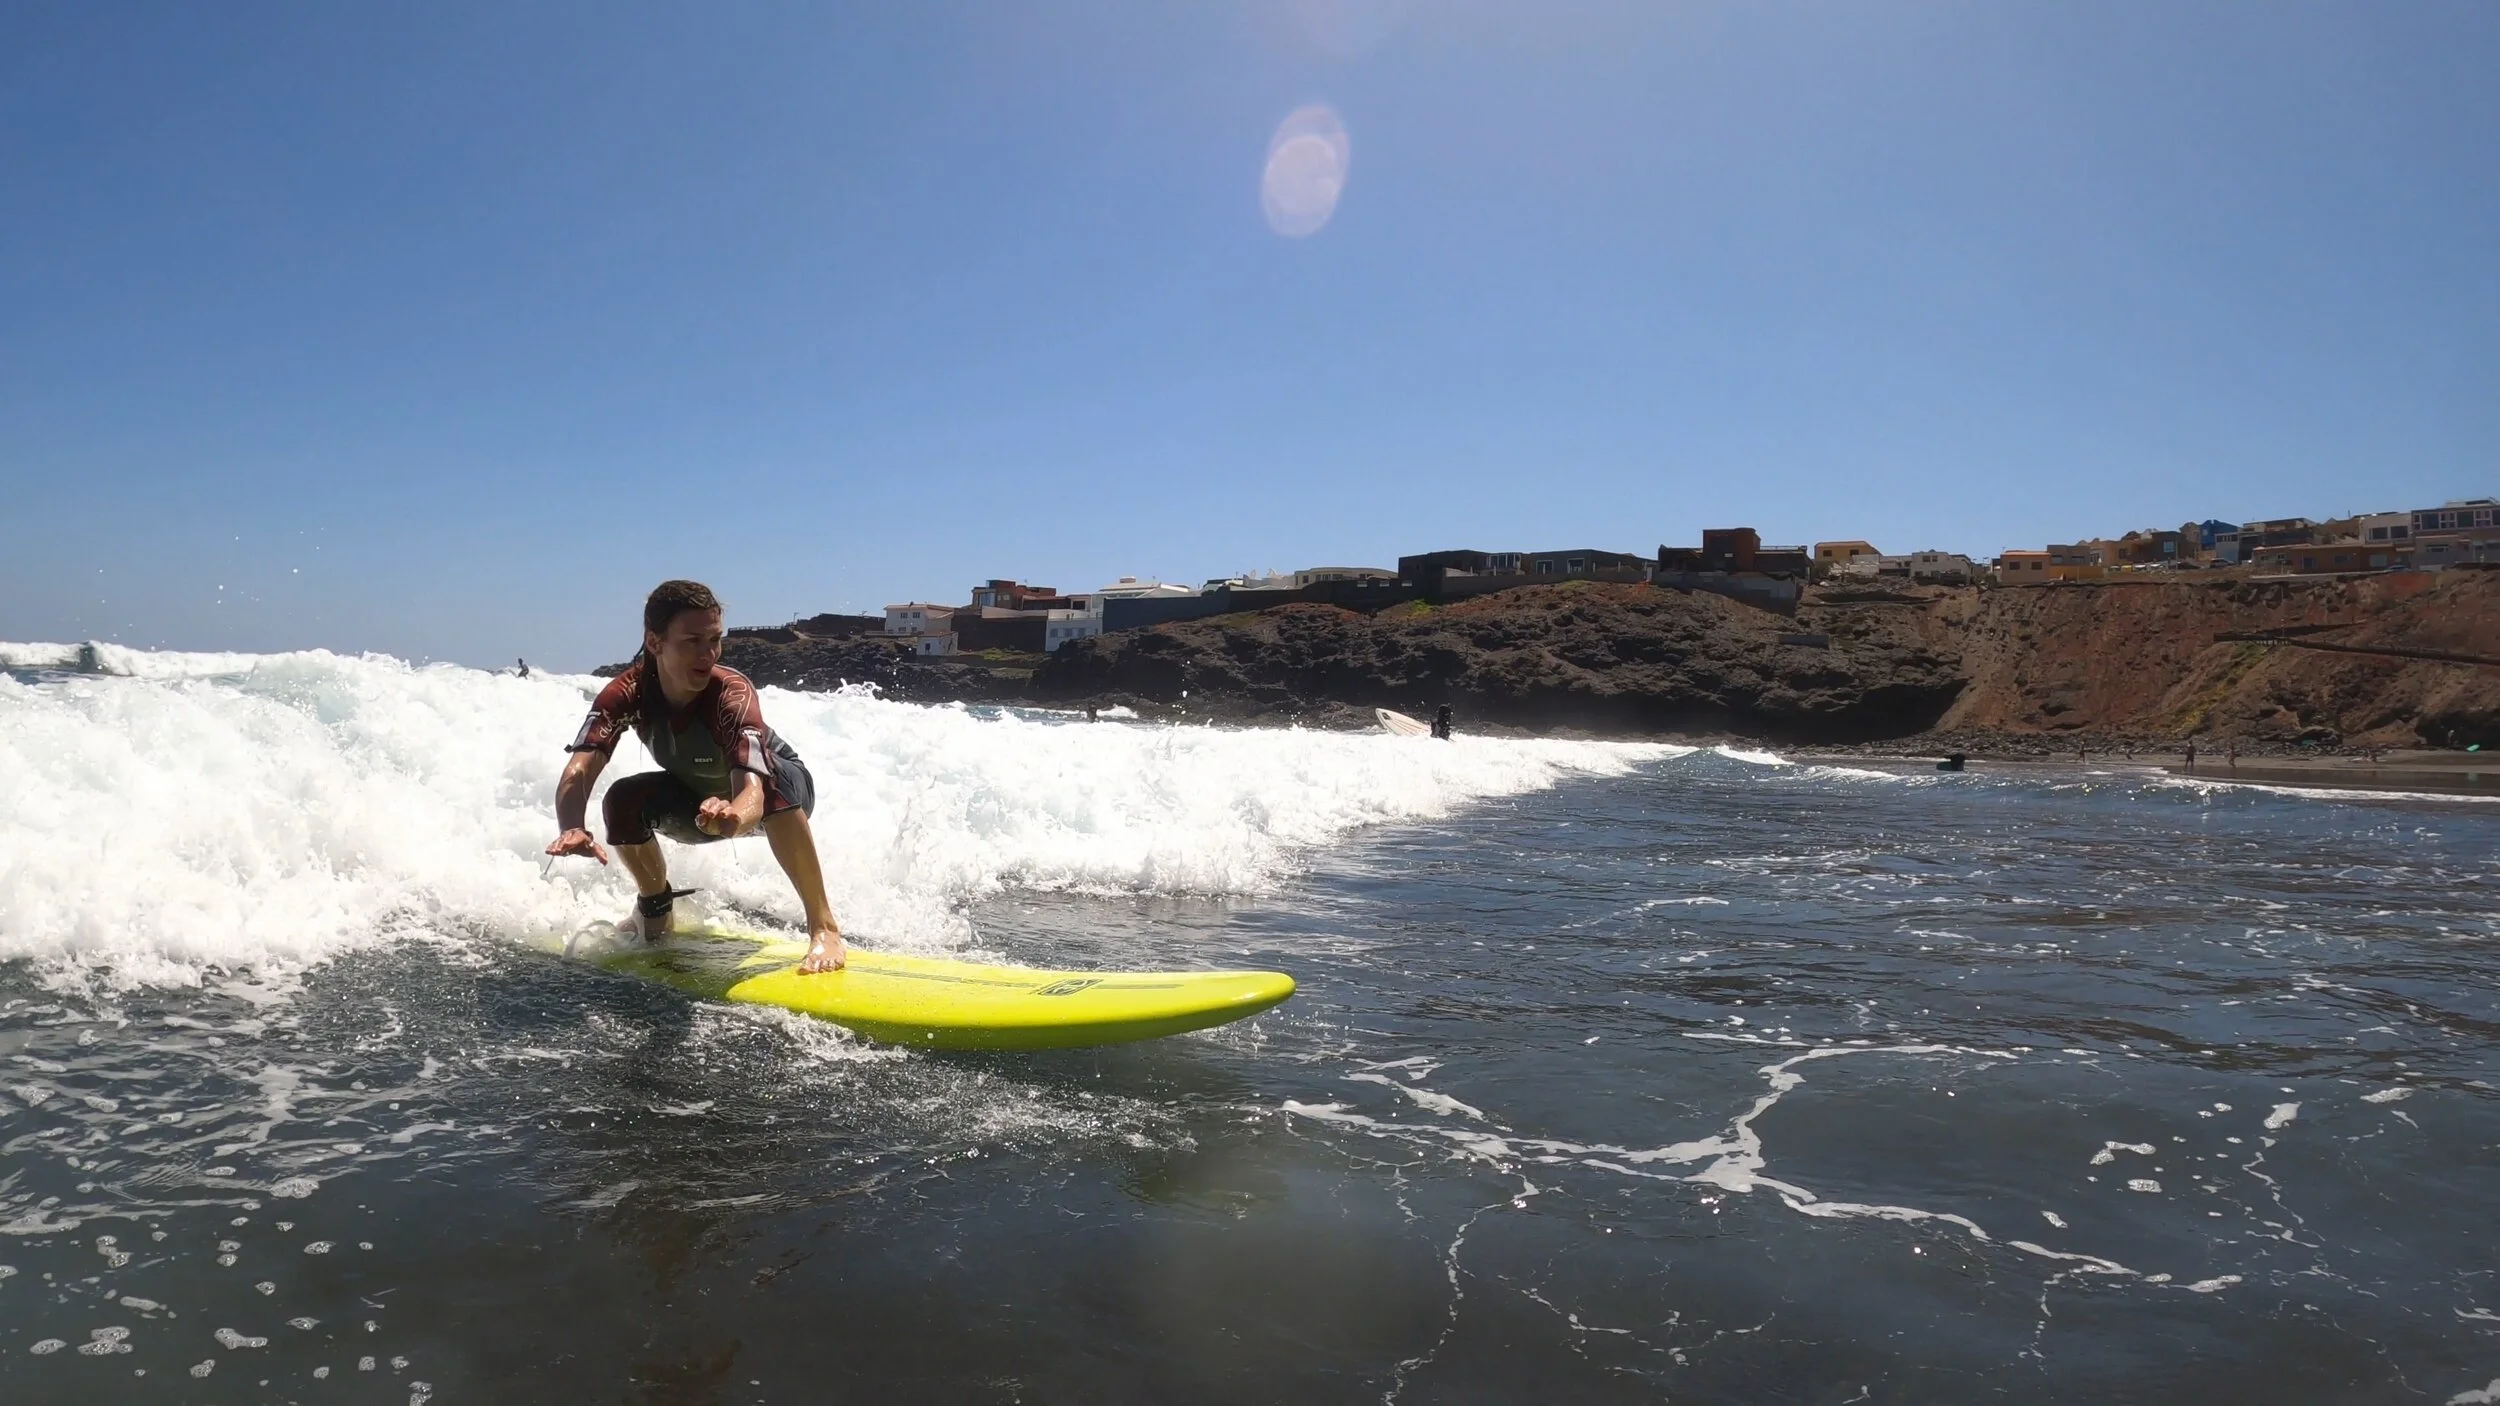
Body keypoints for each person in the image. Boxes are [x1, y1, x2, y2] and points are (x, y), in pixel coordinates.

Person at [546, 580, 848, 973]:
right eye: (692, 641)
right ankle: (655, 909)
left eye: (715, 639)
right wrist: (571, 826)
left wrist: (734, 815)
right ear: (654, 642)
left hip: (773, 793)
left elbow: (753, 787)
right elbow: (580, 766)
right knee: (622, 800)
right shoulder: (627, 694)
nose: (708, 654)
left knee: (773, 776)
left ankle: (824, 928)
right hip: (701, 802)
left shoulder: (730, 693)